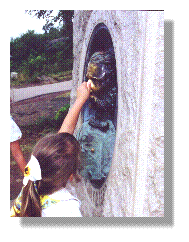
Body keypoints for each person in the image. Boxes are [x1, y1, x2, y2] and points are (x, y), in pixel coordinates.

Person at [10, 81, 91, 217]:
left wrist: (80, 100)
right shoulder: (67, 209)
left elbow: (63, 136)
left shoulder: (33, 176)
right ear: (71, 175)